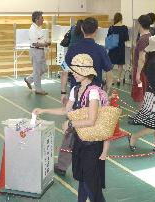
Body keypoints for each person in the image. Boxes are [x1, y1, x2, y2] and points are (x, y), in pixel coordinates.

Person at [33, 54, 109, 202]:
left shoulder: (93, 92)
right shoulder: (75, 89)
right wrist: (43, 111)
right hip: (79, 140)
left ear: (85, 72)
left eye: (75, 70)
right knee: (82, 177)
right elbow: (65, 111)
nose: (72, 72)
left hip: (92, 144)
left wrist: (71, 123)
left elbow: (92, 120)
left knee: (92, 185)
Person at [56, 17, 113, 176]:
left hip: (77, 94)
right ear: (96, 31)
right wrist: (106, 92)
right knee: (94, 127)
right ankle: (92, 162)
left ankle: (62, 166)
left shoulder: (72, 49)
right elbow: (109, 74)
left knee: (72, 129)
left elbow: (64, 72)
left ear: (81, 30)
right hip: (95, 95)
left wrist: (63, 92)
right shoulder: (101, 50)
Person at [24, 11, 51, 95]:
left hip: (41, 51)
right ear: (36, 19)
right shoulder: (32, 29)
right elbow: (34, 43)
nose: (43, 19)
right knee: (37, 71)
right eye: (41, 18)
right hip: (35, 51)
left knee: (43, 69)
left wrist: (47, 41)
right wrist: (45, 44)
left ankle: (29, 79)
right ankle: (38, 89)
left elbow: (41, 39)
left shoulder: (39, 28)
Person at [131, 14, 152, 108]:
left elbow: (142, 58)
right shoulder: (150, 36)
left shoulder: (143, 39)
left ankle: (142, 115)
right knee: (143, 92)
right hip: (147, 71)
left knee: (140, 93)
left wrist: (138, 74)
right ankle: (143, 115)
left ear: (140, 24)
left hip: (141, 72)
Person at [107, 12, 129, 86]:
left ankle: (111, 80)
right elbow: (126, 38)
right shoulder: (124, 28)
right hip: (121, 48)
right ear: (121, 19)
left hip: (113, 47)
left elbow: (108, 37)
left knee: (111, 64)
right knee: (120, 64)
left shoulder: (111, 27)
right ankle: (118, 79)